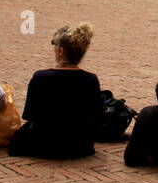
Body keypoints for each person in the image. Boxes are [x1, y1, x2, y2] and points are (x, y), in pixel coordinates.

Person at [10, 23, 103, 159]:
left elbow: (30, 114)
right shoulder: (91, 80)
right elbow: (95, 116)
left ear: (61, 51)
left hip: (44, 145)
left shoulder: (41, 77)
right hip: (79, 146)